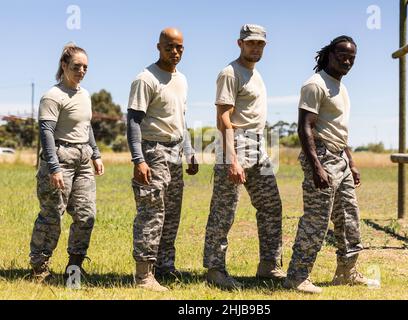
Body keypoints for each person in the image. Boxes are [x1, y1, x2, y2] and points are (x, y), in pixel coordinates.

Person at [283, 36, 374, 294]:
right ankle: (297, 276)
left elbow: (339, 130)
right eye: (342, 55)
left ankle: (346, 272)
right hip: (321, 157)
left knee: (349, 216)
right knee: (317, 219)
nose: (347, 61)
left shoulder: (341, 87)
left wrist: (351, 163)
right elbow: (305, 128)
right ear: (329, 54)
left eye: (352, 58)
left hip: (341, 158)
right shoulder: (315, 84)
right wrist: (316, 166)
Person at [203, 24, 285, 290]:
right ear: (239, 43)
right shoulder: (230, 73)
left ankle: (269, 266)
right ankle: (215, 270)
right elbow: (223, 118)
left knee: (271, 205)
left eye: (260, 44)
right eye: (251, 43)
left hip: (259, 145)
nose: (255, 47)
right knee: (224, 211)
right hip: (236, 144)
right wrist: (233, 159)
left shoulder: (256, 75)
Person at [127, 27, 198, 292]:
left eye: (180, 47)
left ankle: (165, 268)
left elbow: (181, 119)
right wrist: (139, 159)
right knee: (152, 212)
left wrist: (189, 151)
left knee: (171, 214)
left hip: (176, 153)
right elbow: (133, 122)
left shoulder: (182, 79)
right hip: (152, 151)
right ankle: (144, 275)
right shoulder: (146, 79)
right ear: (158, 47)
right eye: (170, 47)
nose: (175, 52)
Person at [29, 43, 104, 283]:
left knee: (86, 215)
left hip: (83, 159)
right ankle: (39, 268)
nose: (81, 71)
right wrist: (54, 167)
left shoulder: (84, 94)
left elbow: (86, 126)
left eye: (85, 67)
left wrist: (95, 153)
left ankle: (75, 267)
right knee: (52, 215)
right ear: (64, 66)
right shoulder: (52, 96)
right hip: (60, 156)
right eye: (76, 66)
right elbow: (46, 133)